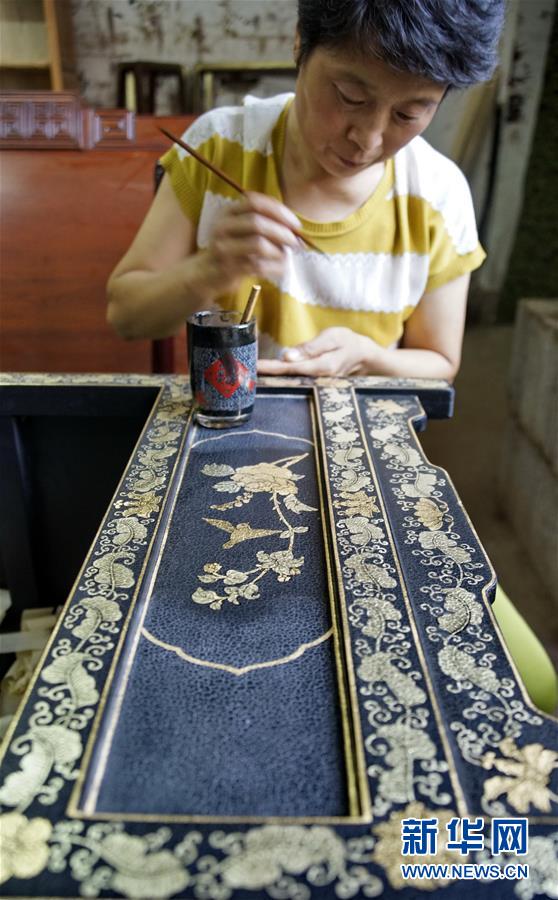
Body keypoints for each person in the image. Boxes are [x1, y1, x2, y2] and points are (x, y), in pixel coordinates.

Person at [106, 0, 557, 713]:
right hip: (218, 461)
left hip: (363, 480)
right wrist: (208, 268)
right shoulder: (223, 147)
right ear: (300, 45)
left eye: (410, 113)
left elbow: (438, 363)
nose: (368, 137)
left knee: (527, 685)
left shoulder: (437, 195)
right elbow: (125, 312)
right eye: (349, 95)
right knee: (219, 679)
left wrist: (368, 355)